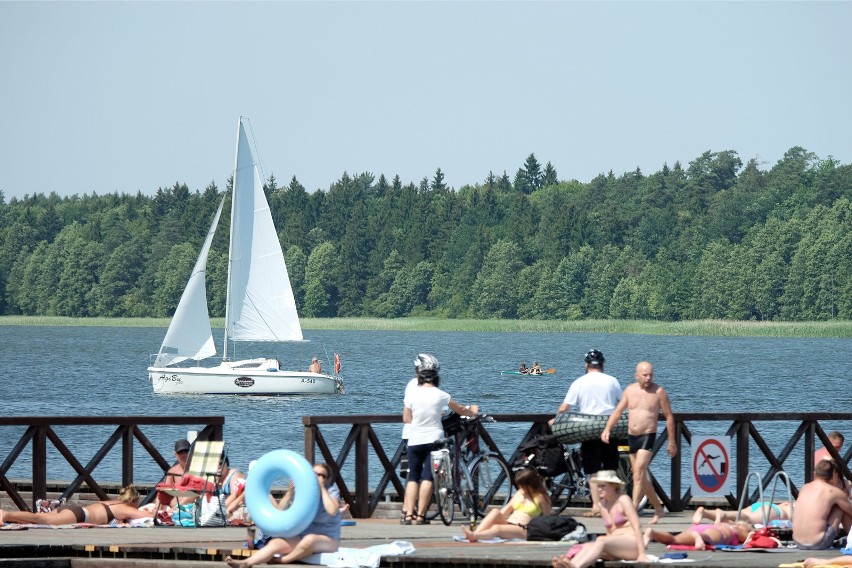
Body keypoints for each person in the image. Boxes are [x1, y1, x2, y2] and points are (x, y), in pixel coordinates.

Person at [401, 353, 478, 525]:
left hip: (414, 439)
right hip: (434, 440)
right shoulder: (441, 395)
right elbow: (460, 410)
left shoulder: (412, 395)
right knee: (427, 477)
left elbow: (406, 418)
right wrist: (473, 410)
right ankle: (420, 515)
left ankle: (407, 515)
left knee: (413, 477)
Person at [601, 361, 676, 524]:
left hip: (648, 436)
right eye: (645, 375)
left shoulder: (659, 392)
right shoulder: (630, 390)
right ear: (637, 375)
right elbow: (618, 411)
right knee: (640, 476)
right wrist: (607, 429)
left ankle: (632, 511)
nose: (648, 378)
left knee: (638, 473)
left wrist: (672, 442)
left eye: (651, 375)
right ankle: (658, 508)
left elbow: (670, 417)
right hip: (632, 437)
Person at [225, 462, 341, 567]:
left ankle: (283, 561)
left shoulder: (331, 491)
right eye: (314, 473)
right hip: (303, 537)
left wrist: (322, 488)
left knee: (310, 540)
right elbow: (280, 510)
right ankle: (246, 563)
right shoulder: (304, 491)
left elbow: (332, 510)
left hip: (328, 539)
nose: (316, 477)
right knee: (275, 543)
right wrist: (290, 493)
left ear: (326, 479)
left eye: (321, 475)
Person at [552, 349, 622, 516]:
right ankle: (611, 505)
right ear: (602, 365)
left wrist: (556, 419)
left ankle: (597, 505)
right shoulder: (612, 381)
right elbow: (622, 403)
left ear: (586, 365)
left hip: (588, 429)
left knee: (592, 469)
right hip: (609, 428)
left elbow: (565, 407)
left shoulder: (579, 382)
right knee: (610, 468)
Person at [551, 470, 647, 568]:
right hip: (614, 546)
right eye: (598, 486)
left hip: (632, 545)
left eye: (603, 486)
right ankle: (570, 564)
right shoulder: (603, 505)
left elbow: (637, 526)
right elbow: (610, 532)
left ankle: (576, 566)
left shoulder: (623, 500)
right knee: (588, 546)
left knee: (600, 540)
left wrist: (642, 553)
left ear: (614, 485)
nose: (599, 489)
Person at [460, 468, 552, 542]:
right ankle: (476, 533)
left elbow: (547, 520)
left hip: (524, 529)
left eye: (523, 485)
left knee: (497, 528)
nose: (520, 488)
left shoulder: (541, 497)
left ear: (530, 484)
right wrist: (494, 519)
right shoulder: (520, 493)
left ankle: (475, 536)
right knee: (495, 511)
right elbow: (506, 510)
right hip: (509, 523)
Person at [0, 485, 152, 525]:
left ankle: (7, 518)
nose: (137, 507)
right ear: (133, 501)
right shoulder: (125, 509)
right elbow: (147, 515)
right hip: (80, 516)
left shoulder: (112, 502)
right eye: (137, 504)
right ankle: (6, 514)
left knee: (38, 518)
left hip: (73, 509)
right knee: (42, 521)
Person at [792, 459, 852, 550]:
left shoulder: (805, 487)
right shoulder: (833, 491)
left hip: (797, 541)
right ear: (832, 476)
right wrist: (843, 492)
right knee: (841, 507)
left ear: (815, 473)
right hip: (819, 543)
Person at [644, 520, 750, 550]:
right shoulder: (735, 528)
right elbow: (753, 536)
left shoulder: (724, 524)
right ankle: (697, 536)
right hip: (716, 534)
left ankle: (653, 534)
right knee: (710, 538)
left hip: (702, 528)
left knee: (674, 539)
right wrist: (750, 535)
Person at [691, 502, 793, 525]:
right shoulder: (801, 507)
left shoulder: (793, 502)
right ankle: (722, 514)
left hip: (765, 505)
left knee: (740, 517)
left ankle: (705, 513)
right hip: (776, 512)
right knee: (748, 519)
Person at [219, 457, 248, 522]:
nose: (218, 467)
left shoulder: (234, 475)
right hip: (223, 507)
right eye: (215, 464)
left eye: (221, 463)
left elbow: (234, 496)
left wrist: (219, 508)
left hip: (237, 505)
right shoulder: (213, 476)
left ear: (227, 464)